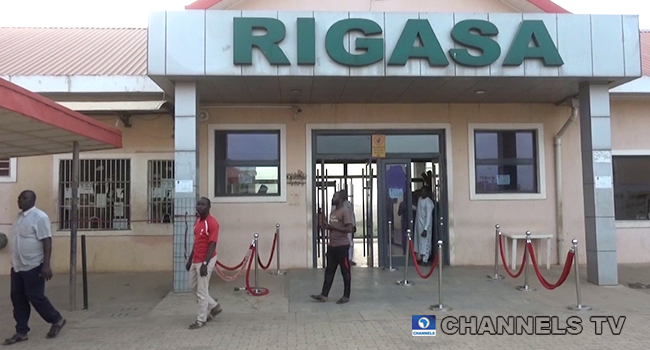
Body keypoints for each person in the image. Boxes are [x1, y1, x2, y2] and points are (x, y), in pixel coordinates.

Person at [4, 190, 66, 346]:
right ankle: (21, 331)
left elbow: (47, 241)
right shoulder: (19, 218)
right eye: (19, 198)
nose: (20, 200)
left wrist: (46, 264)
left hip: (33, 264)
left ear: (33, 200)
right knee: (17, 298)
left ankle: (56, 319)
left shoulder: (40, 217)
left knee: (35, 296)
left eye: (24, 198)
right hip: (18, 266)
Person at [311, 191, 354, 304]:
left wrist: (332, 228)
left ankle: (346, 295)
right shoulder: (333, 212)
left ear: (340, 199)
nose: (333, 198)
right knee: (329, 271)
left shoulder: (345, 211)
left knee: (345, 271)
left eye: (335, 196)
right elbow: (334, 226)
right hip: (332, 246)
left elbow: (349, 229)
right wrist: (327, 227)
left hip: (342, 246)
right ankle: (324, 294)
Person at [185, 197, 222, 330]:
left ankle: (201, 319)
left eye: (203, 205)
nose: (200, 207)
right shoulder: (198, 222)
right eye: (198, 204)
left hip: (206, 260)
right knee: (193, 286)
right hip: (196, 259)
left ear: (209, 207)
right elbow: (197, 242)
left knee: (201, 291)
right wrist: (190, 259)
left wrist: (205, 263)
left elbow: (212, 244)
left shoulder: (212, 223)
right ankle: (214, 306)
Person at [414, 186, 435, 265]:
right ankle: (420, 258)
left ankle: (425, 259)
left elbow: (429, 217)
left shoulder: (429, 202)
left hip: (425, 226)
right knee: (419, 242)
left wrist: (425, 229)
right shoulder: (420, 199)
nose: (422, 193)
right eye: (421, 191)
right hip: (418, 225)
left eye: (424, 191)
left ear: (427, 192)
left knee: (426, 242)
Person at [338, 190, 357, 266]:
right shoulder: (337, 205)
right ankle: (341, 259)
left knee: (349, 243)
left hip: (348, 226)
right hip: (340, 227)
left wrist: (353, 225)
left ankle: (349, 259)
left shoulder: (348, 204)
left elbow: (352, 215)